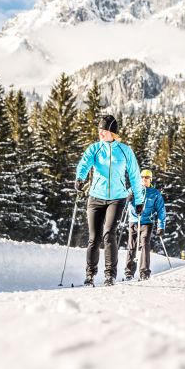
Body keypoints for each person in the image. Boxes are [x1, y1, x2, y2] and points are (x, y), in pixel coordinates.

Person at [75, 115, 145, 287]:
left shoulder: (125, 151)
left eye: (104, 131)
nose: (100, 133)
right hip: (95, 197)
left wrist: (139, 200)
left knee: (109, 233)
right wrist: (80, 178)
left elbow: (135, 176)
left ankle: (110, 275)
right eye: (99, 130)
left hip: (117, 198)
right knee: (94, 237)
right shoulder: (95, 149)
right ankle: (90, 274)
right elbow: (85, 163)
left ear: (112, 132)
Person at [124, 168, 166, 281]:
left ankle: (144, 272)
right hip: (133, 220)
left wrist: (161, 226)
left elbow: (161, 210)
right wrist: (128, 198)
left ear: (150, 179)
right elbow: (122, 203)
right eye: (142, 177)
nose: (144, 179)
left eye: (147, 178)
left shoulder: (155, 193)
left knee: (145, 244)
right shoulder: (133, 189)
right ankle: (129, 272)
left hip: (147, 222)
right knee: (131, 246)